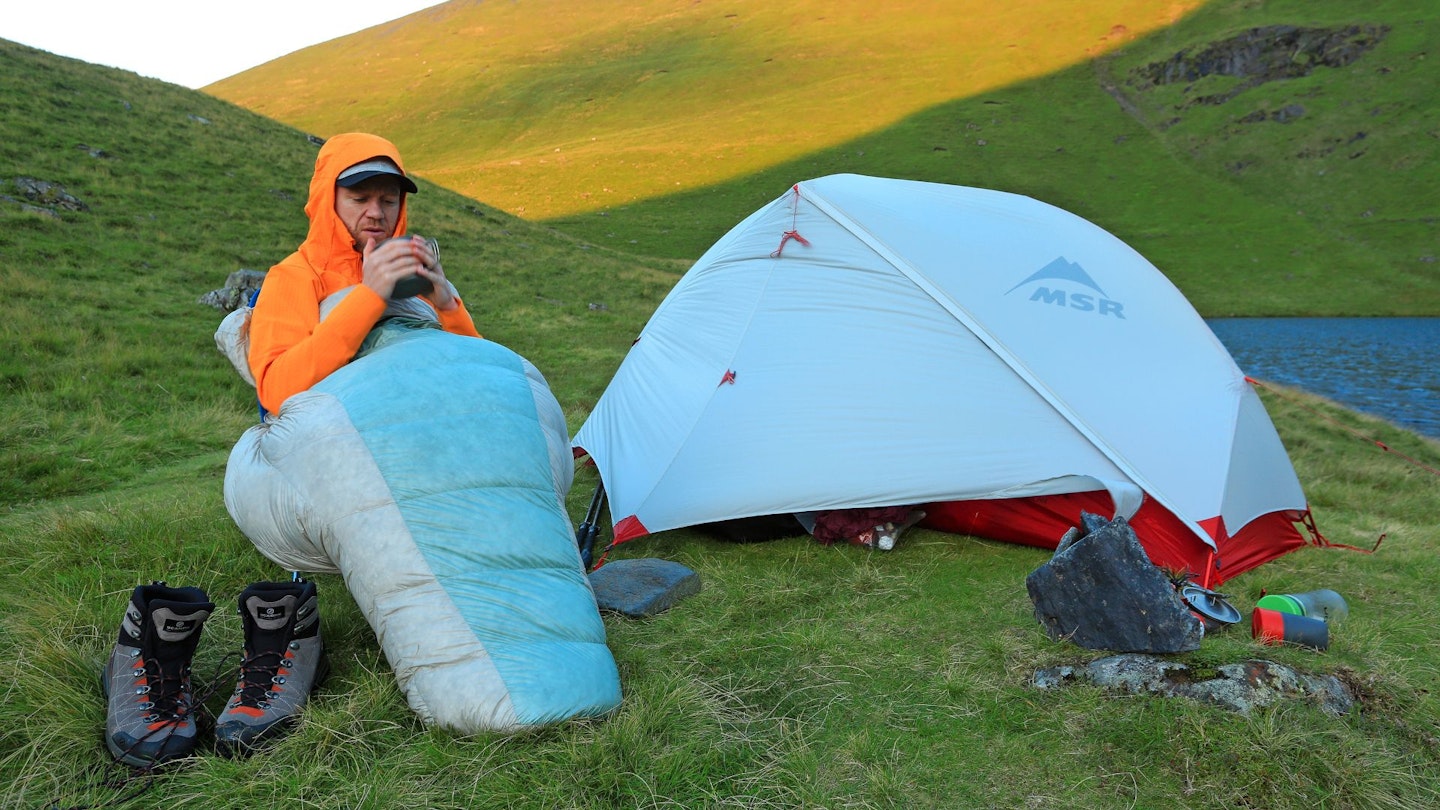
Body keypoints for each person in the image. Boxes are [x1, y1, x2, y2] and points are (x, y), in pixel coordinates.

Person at [248, 131, 481, 415]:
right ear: (327, 199)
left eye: (388, 200)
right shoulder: (293, 277)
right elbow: (277, 392)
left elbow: (478, 379)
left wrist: (448, 308)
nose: (376, 213)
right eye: (359, 199)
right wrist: (369, 297)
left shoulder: (416, 278)